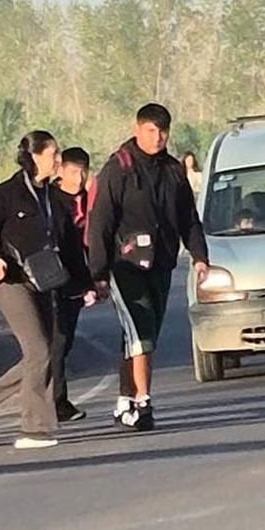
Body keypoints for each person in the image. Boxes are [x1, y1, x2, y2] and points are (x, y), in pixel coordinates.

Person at [88, 104, 210, 431]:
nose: (157, 138)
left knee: (142, 334)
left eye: (163, 131)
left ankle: (125, 399)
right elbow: (99, 223)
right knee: (140, 332)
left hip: (161, 263)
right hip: (125, 266)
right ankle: (144, 402)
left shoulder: (173, 170)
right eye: (151, 131)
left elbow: (188, 218)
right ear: (138, 129)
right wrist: (98, 273)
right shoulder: (118, 168)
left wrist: (199, 256)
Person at [0, 131, 92, 449]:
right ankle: (33, 428)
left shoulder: (54, 199)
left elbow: (70, 247)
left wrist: (90, 284)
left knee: (44, 355)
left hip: (45, 283)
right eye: (53, 154)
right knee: (39, 351)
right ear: (35, 156)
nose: (58, 159)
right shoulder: (9, 193)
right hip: (11, 283)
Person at [52, 147, 95, 422]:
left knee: (65, 343)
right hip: (55, 278)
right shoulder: (51, 199)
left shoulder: (89, 200)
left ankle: (52, 397)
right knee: (56, 342)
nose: (77, 179)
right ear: (60, 171)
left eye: (82, 172)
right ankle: (57, 402)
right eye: (72, 172)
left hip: (78, 279)